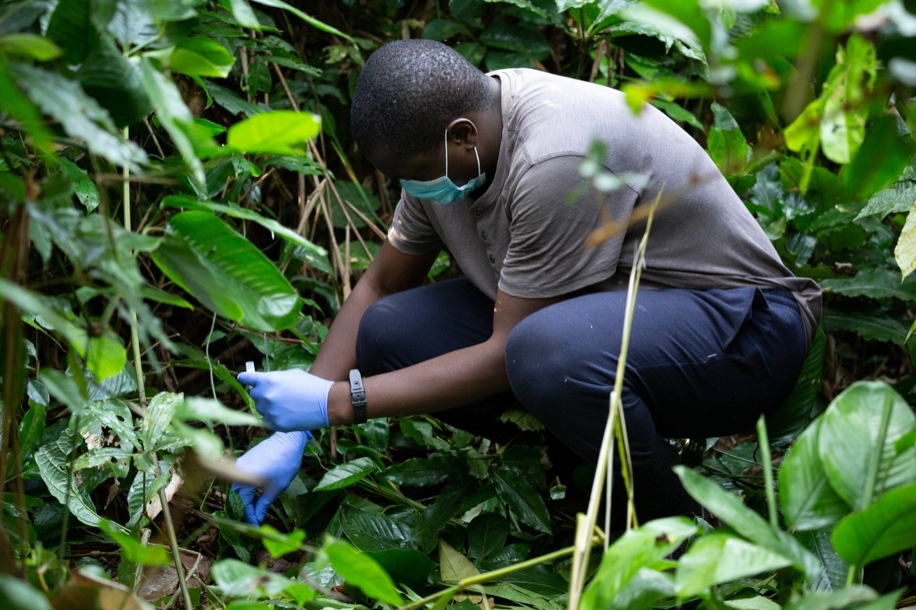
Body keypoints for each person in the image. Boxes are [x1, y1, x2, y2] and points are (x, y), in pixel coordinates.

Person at [231, 39, 822, 527]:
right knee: (388, 331)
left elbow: (505, 354)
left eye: (412, 175)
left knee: (542, 356)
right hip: (608, 320)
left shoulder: (550, 157)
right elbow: (381, 289)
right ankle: (587, 469)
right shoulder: (446, 152)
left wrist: (336, 404)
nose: (408, 190)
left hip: (745, 331)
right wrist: (297, 426)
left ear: (462, 135)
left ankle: (673, 529)